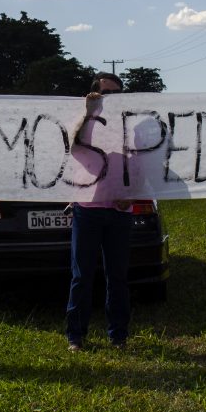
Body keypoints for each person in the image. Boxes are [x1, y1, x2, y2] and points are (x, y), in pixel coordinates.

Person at [65, 72, 134, 351]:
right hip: (88, 210)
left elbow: (143, 164)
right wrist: (88, 113)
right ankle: (75, 336)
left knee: (117, 276)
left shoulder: (130, 126)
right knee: (82, 275)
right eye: (105, 93)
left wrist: (132, 195)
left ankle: (118, 335)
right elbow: (73, 146)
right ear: (93, 94)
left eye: (116, 94)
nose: (110, 99)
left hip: (120, 212)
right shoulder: (83, 122)